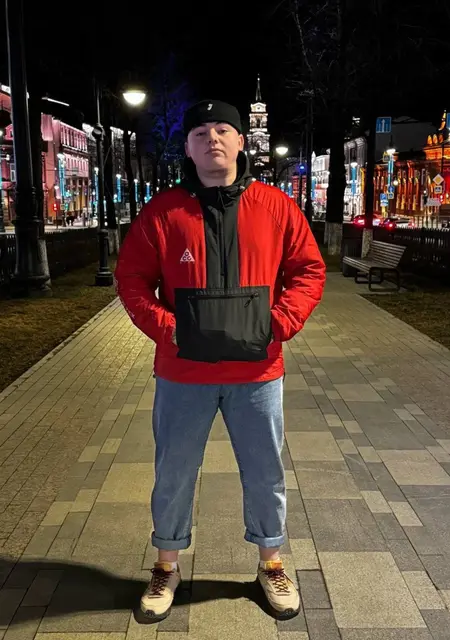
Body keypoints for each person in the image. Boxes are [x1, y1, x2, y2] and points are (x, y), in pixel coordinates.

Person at [115, 100, 326, 621]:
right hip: (183, 372)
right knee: (173, 471)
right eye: (201, 132)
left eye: (223, 129)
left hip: (257, 373)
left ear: (240, 142)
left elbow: (308, 271)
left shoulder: (276, 206)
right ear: (187, 148)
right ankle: (166, 565)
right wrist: (171, 330)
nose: (212, 138)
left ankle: (271, 562)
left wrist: (278, 324)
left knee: (264, 471)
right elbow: (132, 280)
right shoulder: (162, 212)